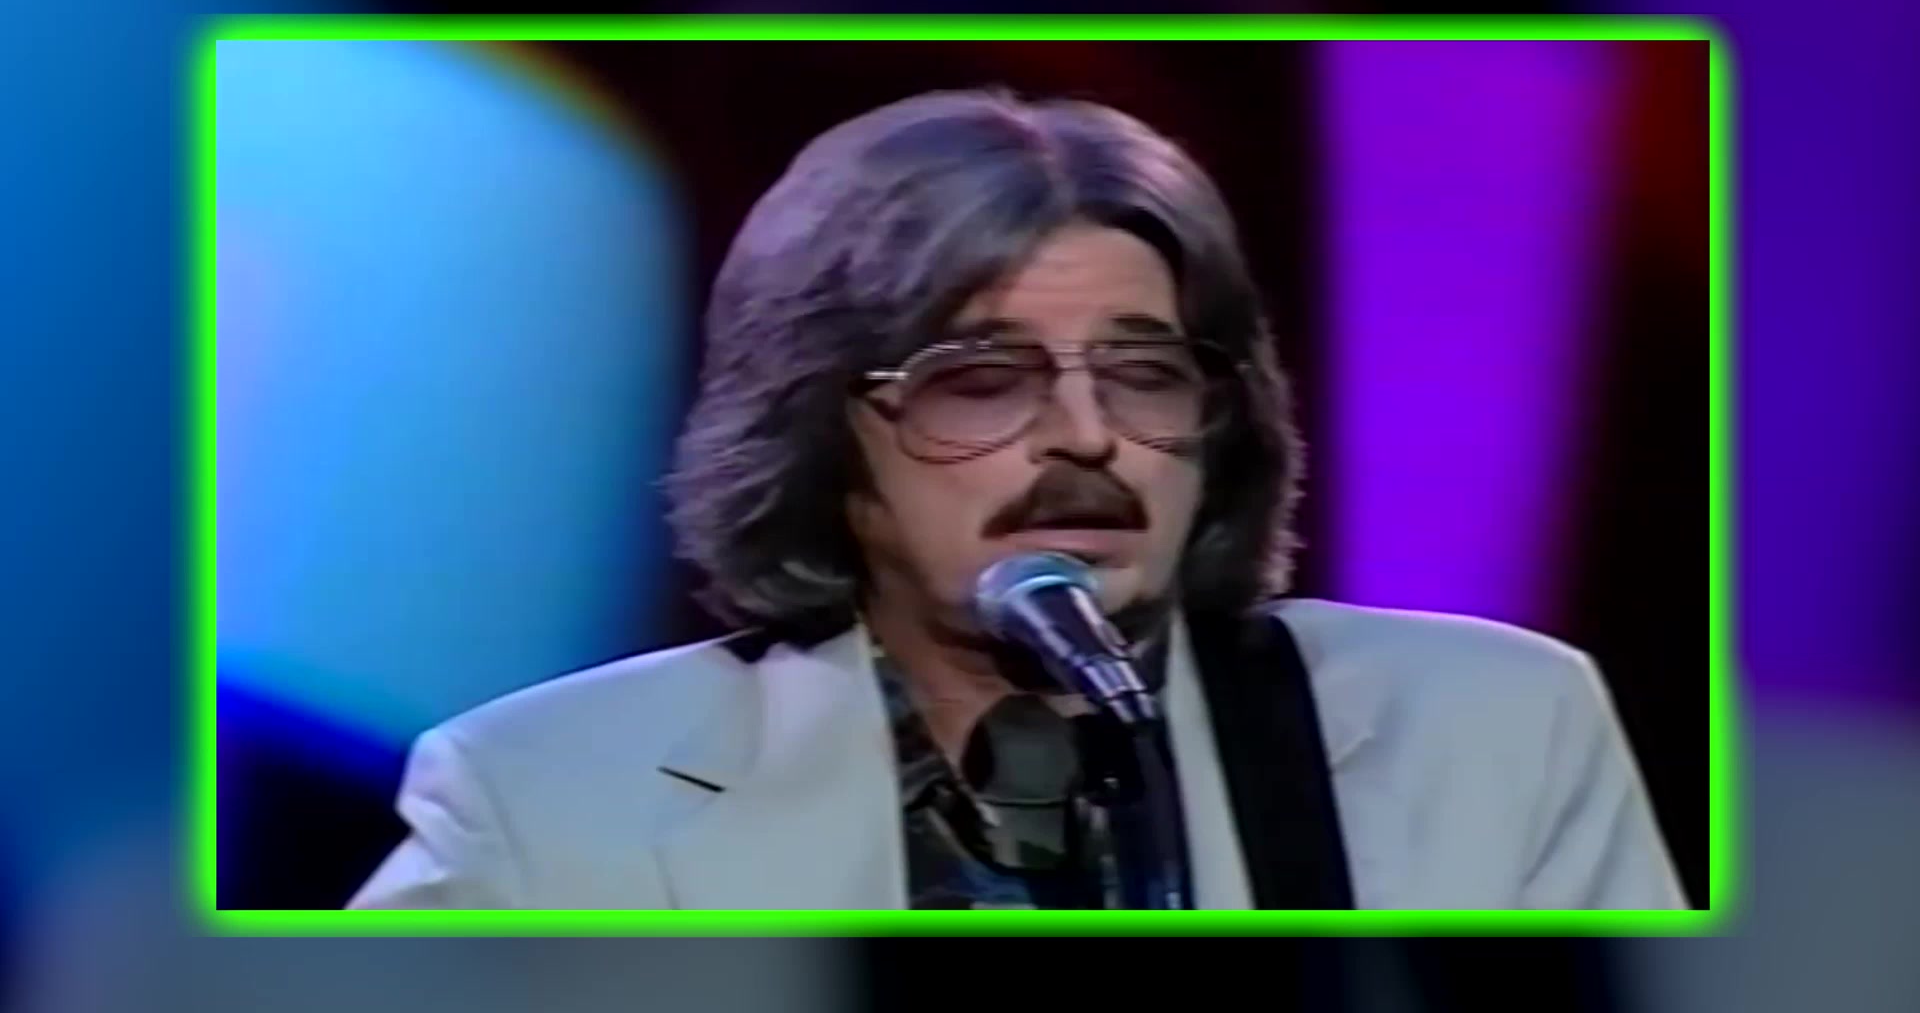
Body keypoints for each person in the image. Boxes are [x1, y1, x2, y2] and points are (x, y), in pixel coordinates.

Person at [348, 89, 1686, 910]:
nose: (1088, 438)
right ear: (822, 438)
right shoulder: (548, 797)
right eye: (981, 382)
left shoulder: (1499, 736)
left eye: (1146, 374)